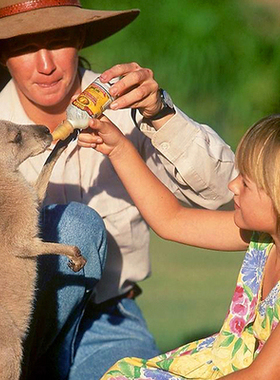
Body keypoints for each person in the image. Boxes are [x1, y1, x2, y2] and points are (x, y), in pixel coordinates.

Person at [0, 1, 236, 379]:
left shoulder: (125, 103)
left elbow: (222, 192)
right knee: (77, 226)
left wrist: (160, 113)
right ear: (3, 54)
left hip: (107, 317)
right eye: (25, 46)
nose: (45, 65)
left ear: (79, 38)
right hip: (14, 322)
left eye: (58, 41)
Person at [80, 113, 280, 380]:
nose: (233, 185)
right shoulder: (264, 239)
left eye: (245, 182)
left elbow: (261, 376)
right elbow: (171, 220)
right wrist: (119, 149)